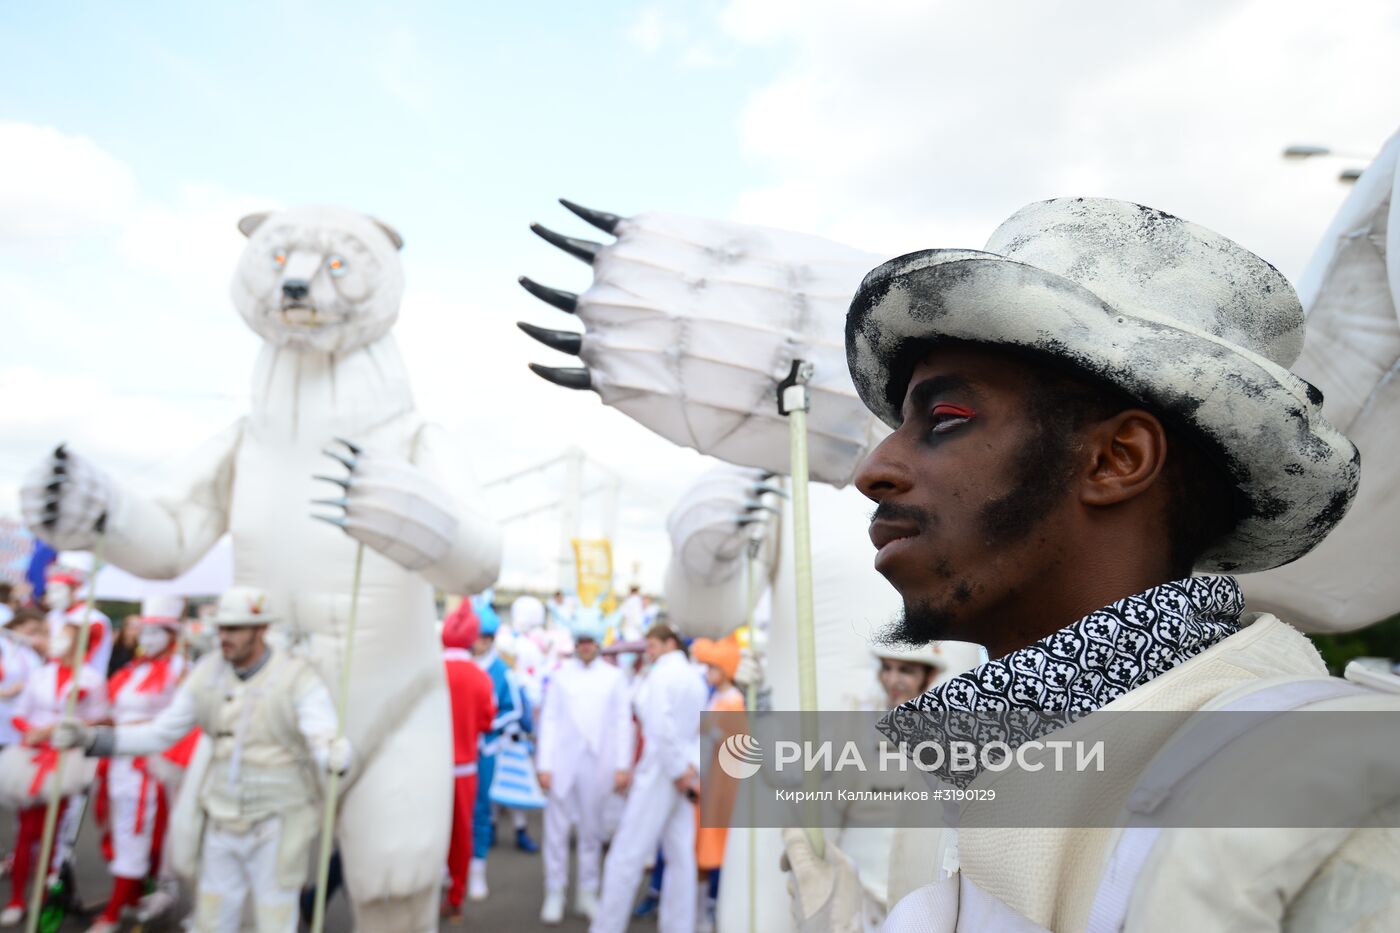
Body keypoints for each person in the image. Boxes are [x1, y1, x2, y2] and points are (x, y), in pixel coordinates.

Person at [781, 197, 1392, 930]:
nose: (873, 468)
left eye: (945, 418)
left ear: (1114, 460)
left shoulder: (1325, 794)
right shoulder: (978, 754)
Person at [45, 585, 349, 933]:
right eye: (221, 628)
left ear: (261, 629)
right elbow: (161, 732)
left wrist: (331, 751)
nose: (225, 637)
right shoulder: (209, 672)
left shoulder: (297, 675)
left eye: (235, 628)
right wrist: (92, 737)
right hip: (220, 814)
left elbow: (320, 727)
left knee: (275, 915)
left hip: (277, 820)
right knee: (214, 915)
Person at [590, 624, 706, 933]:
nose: (648, 651)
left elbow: (658, 728)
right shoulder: (695, 677)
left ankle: (606, 926)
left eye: (653, 645)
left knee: (627, 854)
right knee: (681, 858)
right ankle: (679, 927)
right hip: (679, 769)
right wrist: (690, 768)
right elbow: (700, 729)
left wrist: (679, 770)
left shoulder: (661, 675)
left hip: (661, 770)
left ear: (670, 644)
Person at [85, 595, 189, 933]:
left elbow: (177, 723)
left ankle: (115, 911)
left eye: (156, 632)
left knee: (137, 829)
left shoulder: (178, 671)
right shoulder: (134, 668)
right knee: (121, 827)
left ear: (171, 635)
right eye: (143, 632)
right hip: (119, 762)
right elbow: (111, 710)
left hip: (149, 767)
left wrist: (127, 732)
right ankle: (131, 896)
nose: (146, 640)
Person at [0, 620, 107, 926]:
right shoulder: (40, 674)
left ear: (80, 644)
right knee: (27, 832)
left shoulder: (91, 679)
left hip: (67, 762)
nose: (57, 641)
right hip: (32, 759)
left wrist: (68, 729)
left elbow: (101, 722)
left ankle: (47, 896)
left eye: (66, 637)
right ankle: (18, 896)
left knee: (58, 835)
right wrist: (33, 731)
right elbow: (21, 713)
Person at [536, 614, 633, 925]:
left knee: (592, 830)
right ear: (575, 645)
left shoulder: (614, 677)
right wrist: (544, 764)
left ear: (598, 645)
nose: (586, 647)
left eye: (590, 642)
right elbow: (548, 720)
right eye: (581, 642)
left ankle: (587, 892)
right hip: (563, 761)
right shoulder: (561, 675)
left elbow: (623, 722)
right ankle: (555, 891)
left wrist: (622, 765)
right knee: (556, 831)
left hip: (599, 762)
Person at [467, 591, 536, 901]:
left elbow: (515, 710)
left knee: (482, 809)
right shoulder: (462, 665)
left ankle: (477, 869)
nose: (476, 642)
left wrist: (487, 727)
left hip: (486, 750)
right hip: (457, 749)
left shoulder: (502, 672)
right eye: (474, 635)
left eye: (482, 636)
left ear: (491, 638)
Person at [440, 600, 495, 922]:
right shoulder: (480, 677)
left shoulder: (429, 671)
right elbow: (488, 721)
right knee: (462, 834)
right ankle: (455, 896)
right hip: (464, 767)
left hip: (429, 767)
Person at [691, 636, 745, 933]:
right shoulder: (718, 697)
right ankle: (701, 912)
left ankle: (709, 913)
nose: (706, 671)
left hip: (719, 788)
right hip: (708, 782)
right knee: (703, 849)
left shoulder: (733, 702)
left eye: (711, 666)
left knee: (714, 849)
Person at [42, 565, 111, 679]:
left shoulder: (93, 619)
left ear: (74, 590)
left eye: (58, 590)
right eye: (49, 591)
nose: (52, 597)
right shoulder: (51, 616)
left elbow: (82, 656)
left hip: (80, 682)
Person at [0, 609, 46, 749]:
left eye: (39, 631)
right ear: (17, 625)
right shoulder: (3, 645)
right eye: (31, 629)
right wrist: (5, 693)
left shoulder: (31, 653)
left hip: (15, 717)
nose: (33, 635)